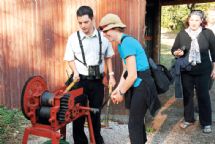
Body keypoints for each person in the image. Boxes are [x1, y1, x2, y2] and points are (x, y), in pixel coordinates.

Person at [99, 13, 161, 144]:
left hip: (143, 84)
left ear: (115, 28)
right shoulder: (122, 44)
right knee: (136, 121)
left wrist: (121, 93)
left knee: (134, 123)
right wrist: (118, 89)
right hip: (138, 83)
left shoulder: (127, 43)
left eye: (106, 31)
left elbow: (132, 75)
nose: (104, 34)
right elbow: (126, 72)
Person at [64, 6, 116, 144]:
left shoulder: (103, 37)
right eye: (80, 22)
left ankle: (96, 139)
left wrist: (111, 75)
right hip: (79, 80)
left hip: (97, 81)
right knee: (77, 115)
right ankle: (80, 141)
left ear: (92, 19)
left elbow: (108, 56)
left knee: (95, 113)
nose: (83, 26)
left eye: (86, 22)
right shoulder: (73, 38)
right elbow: (69, 58)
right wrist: (75, 71)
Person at [171, 10, 215, 133]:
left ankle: (206, 123)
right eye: (191, 20)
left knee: (203, 95)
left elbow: (214, 52)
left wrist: (214, 68)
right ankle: (188, 119)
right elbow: (174, 49)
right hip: (187, 70)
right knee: (188, 95)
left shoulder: (208, 33)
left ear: (201, 21)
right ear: (188, 21)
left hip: (203, 70)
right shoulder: (182, 34)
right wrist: (176, 52)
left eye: (197, 20)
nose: (194, 23)